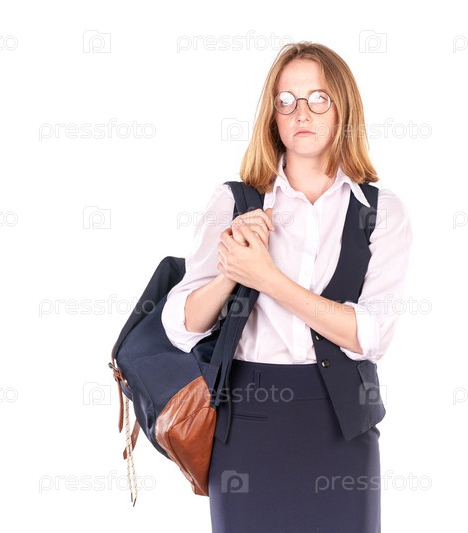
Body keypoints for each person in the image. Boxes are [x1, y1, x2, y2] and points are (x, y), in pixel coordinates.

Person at [161, 41, 412, 533]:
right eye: (287, 100)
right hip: (247, 421)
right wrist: (232, 270)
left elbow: (370, 336)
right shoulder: (233, 202)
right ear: (272, 115)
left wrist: (269, 279)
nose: (302, 112)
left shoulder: (382, 212)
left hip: (342, 424)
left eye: (319, 98)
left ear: (343, 108)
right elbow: (181, 326)